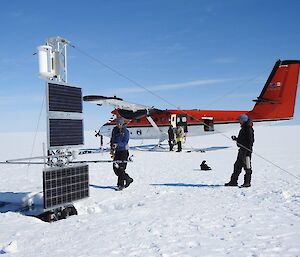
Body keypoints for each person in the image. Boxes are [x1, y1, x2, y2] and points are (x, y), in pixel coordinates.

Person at [225, 114, 254, 187]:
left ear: (243, 120)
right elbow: (243, 139)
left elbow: (250, 140)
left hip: (246, 151)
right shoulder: (244, 128)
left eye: (240, 120)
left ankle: (247, 182)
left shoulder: (248, 128)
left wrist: (247, 150)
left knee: (247, 167)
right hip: (241, 151)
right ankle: (233, 182)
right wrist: (236, 139)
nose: (239, 121)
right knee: (237, 166)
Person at [110, 117, 133, 190]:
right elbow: (112, 139)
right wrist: (112, 149)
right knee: (116, 169)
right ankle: (128, 179)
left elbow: (125, 142)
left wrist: (117, 145)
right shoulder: (114, 130)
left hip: (124, 151)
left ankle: (120, 185)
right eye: (117, 123)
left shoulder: (125, 131)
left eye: (119, 123)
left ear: (122, 123)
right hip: (117, 152)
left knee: (121, 169)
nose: (118, 125)